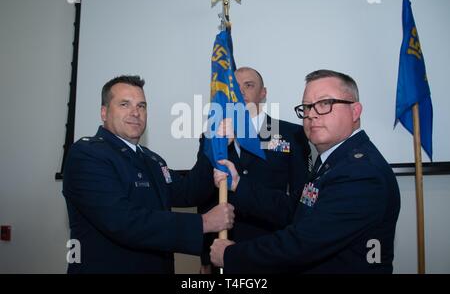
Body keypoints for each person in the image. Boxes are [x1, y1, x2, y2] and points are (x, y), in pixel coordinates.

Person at [210, 69, 401, 273]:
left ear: (355, 111)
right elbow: (293, 210)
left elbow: (304, 243)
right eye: (307, 107)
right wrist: (238, 184)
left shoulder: (361, 173)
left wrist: (232, 255)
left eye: (325, 104)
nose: (311, 114)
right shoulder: (334, 160)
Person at [62, 75, 234, 274]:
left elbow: (188, 192)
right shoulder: (87, 154)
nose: (135, 113)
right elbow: (122, 221)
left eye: (141, 106)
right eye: (125, 104)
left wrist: (213, 143)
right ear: (104, 112)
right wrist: (204, 223)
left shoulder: (151, 159)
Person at [198, 67, 311, 273]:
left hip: (273, 251)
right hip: (224, 249)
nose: (240, 92)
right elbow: (206, 198)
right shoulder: (214, 137)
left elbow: (299, 199)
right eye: (235, 88)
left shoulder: (292, 134)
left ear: (263, 93)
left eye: (248, 85)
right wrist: (205, 254)